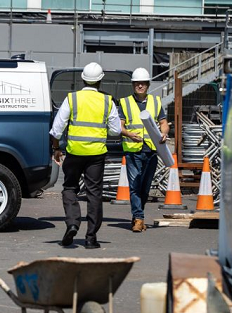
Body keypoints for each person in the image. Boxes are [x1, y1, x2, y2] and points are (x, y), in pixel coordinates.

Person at [50, 62, 121, 249]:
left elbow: (56, 130)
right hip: (96, 154)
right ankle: (91, 238)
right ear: (100, 81)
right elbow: (115, 131)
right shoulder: (107, 101)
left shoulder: (72, 99)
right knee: (94, 193)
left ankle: (73, 223)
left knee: (70, 188)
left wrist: (56, 149)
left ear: (83, 79)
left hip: (74, 152)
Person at [119, 67, 170, 233]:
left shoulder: (156, 101)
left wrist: (164, 133)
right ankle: (139, 218)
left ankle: (137, 216)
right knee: (134, 185)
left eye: (143, 83)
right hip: (133, 150)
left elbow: (163, 123)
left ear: (148, 85)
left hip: (151, 150)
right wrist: (129, 134)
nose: (140, 86)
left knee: (145, 187)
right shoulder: (125, 102)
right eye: (137, 83)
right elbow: (120, 126)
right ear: (133, 85)